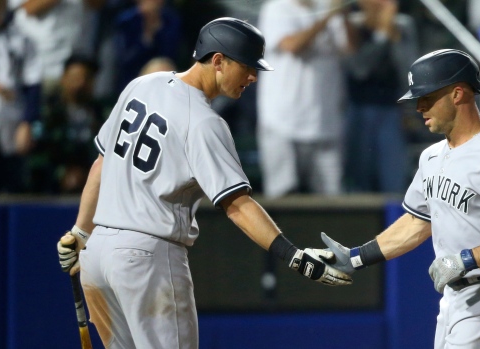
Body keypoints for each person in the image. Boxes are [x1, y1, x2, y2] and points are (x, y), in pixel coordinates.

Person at [56, 17, 351, 349]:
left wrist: (81, 232)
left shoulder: (143, 84)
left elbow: (102, 162)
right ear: (217, 61)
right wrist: (292, 254)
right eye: (247, 66)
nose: (253, 76)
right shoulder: (204, 122)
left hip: (98, 258)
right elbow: (237, 206)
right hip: (147, 259)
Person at [322, 49, 480, 348]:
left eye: (427, 97)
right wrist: (356, 257)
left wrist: (466, 259)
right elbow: (418, 221)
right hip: (455, 295)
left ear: (457, 93)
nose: (419, 107)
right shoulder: (431, 156)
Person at [256, 0, 355, 198]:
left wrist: (343, 14)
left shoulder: (329, 7)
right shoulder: (277, 8)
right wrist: (327, 16)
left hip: (326, 122)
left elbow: (351, 48)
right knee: (283, 196)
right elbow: (292, 45)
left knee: (332, 199)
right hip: (282, 122)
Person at [343, 0, 419, 193]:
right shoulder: (351, 24)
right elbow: (360, 69)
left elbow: (409, 70)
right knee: (360, 177)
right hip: (358, 110)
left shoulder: (402, 25)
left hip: (391, 110)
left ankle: (395, 220)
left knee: (394, 179)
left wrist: (393, 35)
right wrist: (382, 35)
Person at [27, 54, 102, 194]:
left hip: (95, 184)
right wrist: (60, 173)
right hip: (48, 189)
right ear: (63, 78)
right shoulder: (46, 113)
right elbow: (37, 154)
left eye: (87, 79)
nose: (80, 84)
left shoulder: (102, 114)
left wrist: (89, 174)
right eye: (75, 78)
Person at [0, 0, 41, 193]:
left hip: (11, 122)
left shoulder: (22, 39)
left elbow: (33, 84)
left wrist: (28, 123)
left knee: (12, 185)